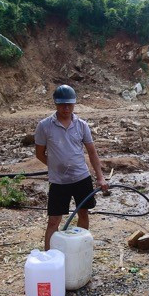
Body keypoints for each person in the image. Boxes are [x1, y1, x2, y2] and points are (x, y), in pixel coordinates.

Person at [35, 84, 108, 250]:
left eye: (69, 104)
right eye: (62, 105)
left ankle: (80, 249)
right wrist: (55, 167)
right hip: (58, 182)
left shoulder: (81, 125)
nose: (66, 108)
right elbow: (39, 153)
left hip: (81, 178)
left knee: (83, 213)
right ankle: (50, 257)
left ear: (74, 104)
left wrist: (100, 177)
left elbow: (92, 152)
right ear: (55, 104)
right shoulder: (44, 126)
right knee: (54, 221)